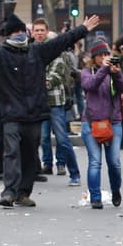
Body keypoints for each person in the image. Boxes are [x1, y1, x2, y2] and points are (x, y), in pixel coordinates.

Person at [0, 13, 100, 207]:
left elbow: (61, 41)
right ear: (9, 35)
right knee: (11, 153)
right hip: (12, 115)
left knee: (29, 155)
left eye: (21, 32)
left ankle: (23, 193)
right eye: (15, 32)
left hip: (33, 114)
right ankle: (9, 192)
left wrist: (83, 29)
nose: (20, 35)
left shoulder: (37, 52)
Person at [80, 40, 123, 209]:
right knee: (95, 161)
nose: (104, 57)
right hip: (91, 123)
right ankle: (95, 197)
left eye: (107, 54)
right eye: (101, 55)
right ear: (94, 57)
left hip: (113, 122)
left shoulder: (112, 72)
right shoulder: (87, 72)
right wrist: (104, 70)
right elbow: (90, 85)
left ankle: (116, 190)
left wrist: (117, 73)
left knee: (114, 161)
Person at [37, 20, 81, 187]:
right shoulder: (31, 50)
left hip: (55, 101)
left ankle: (73, 172)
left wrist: (34, 80)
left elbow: (54, 77)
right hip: (39, 102)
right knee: (43, 137)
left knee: (62, 138)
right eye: (37, 30)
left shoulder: (57, 52)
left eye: (42, 30)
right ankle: (47, 164)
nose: (39, 33)